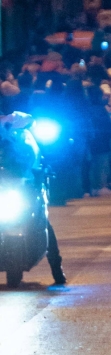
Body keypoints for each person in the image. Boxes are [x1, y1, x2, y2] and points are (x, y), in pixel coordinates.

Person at [0, 113, 66, 285]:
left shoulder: (19, 130)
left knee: (42, 220)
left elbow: (29, 120)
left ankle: (56, 267)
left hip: (23, 185)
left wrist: (15, 121)